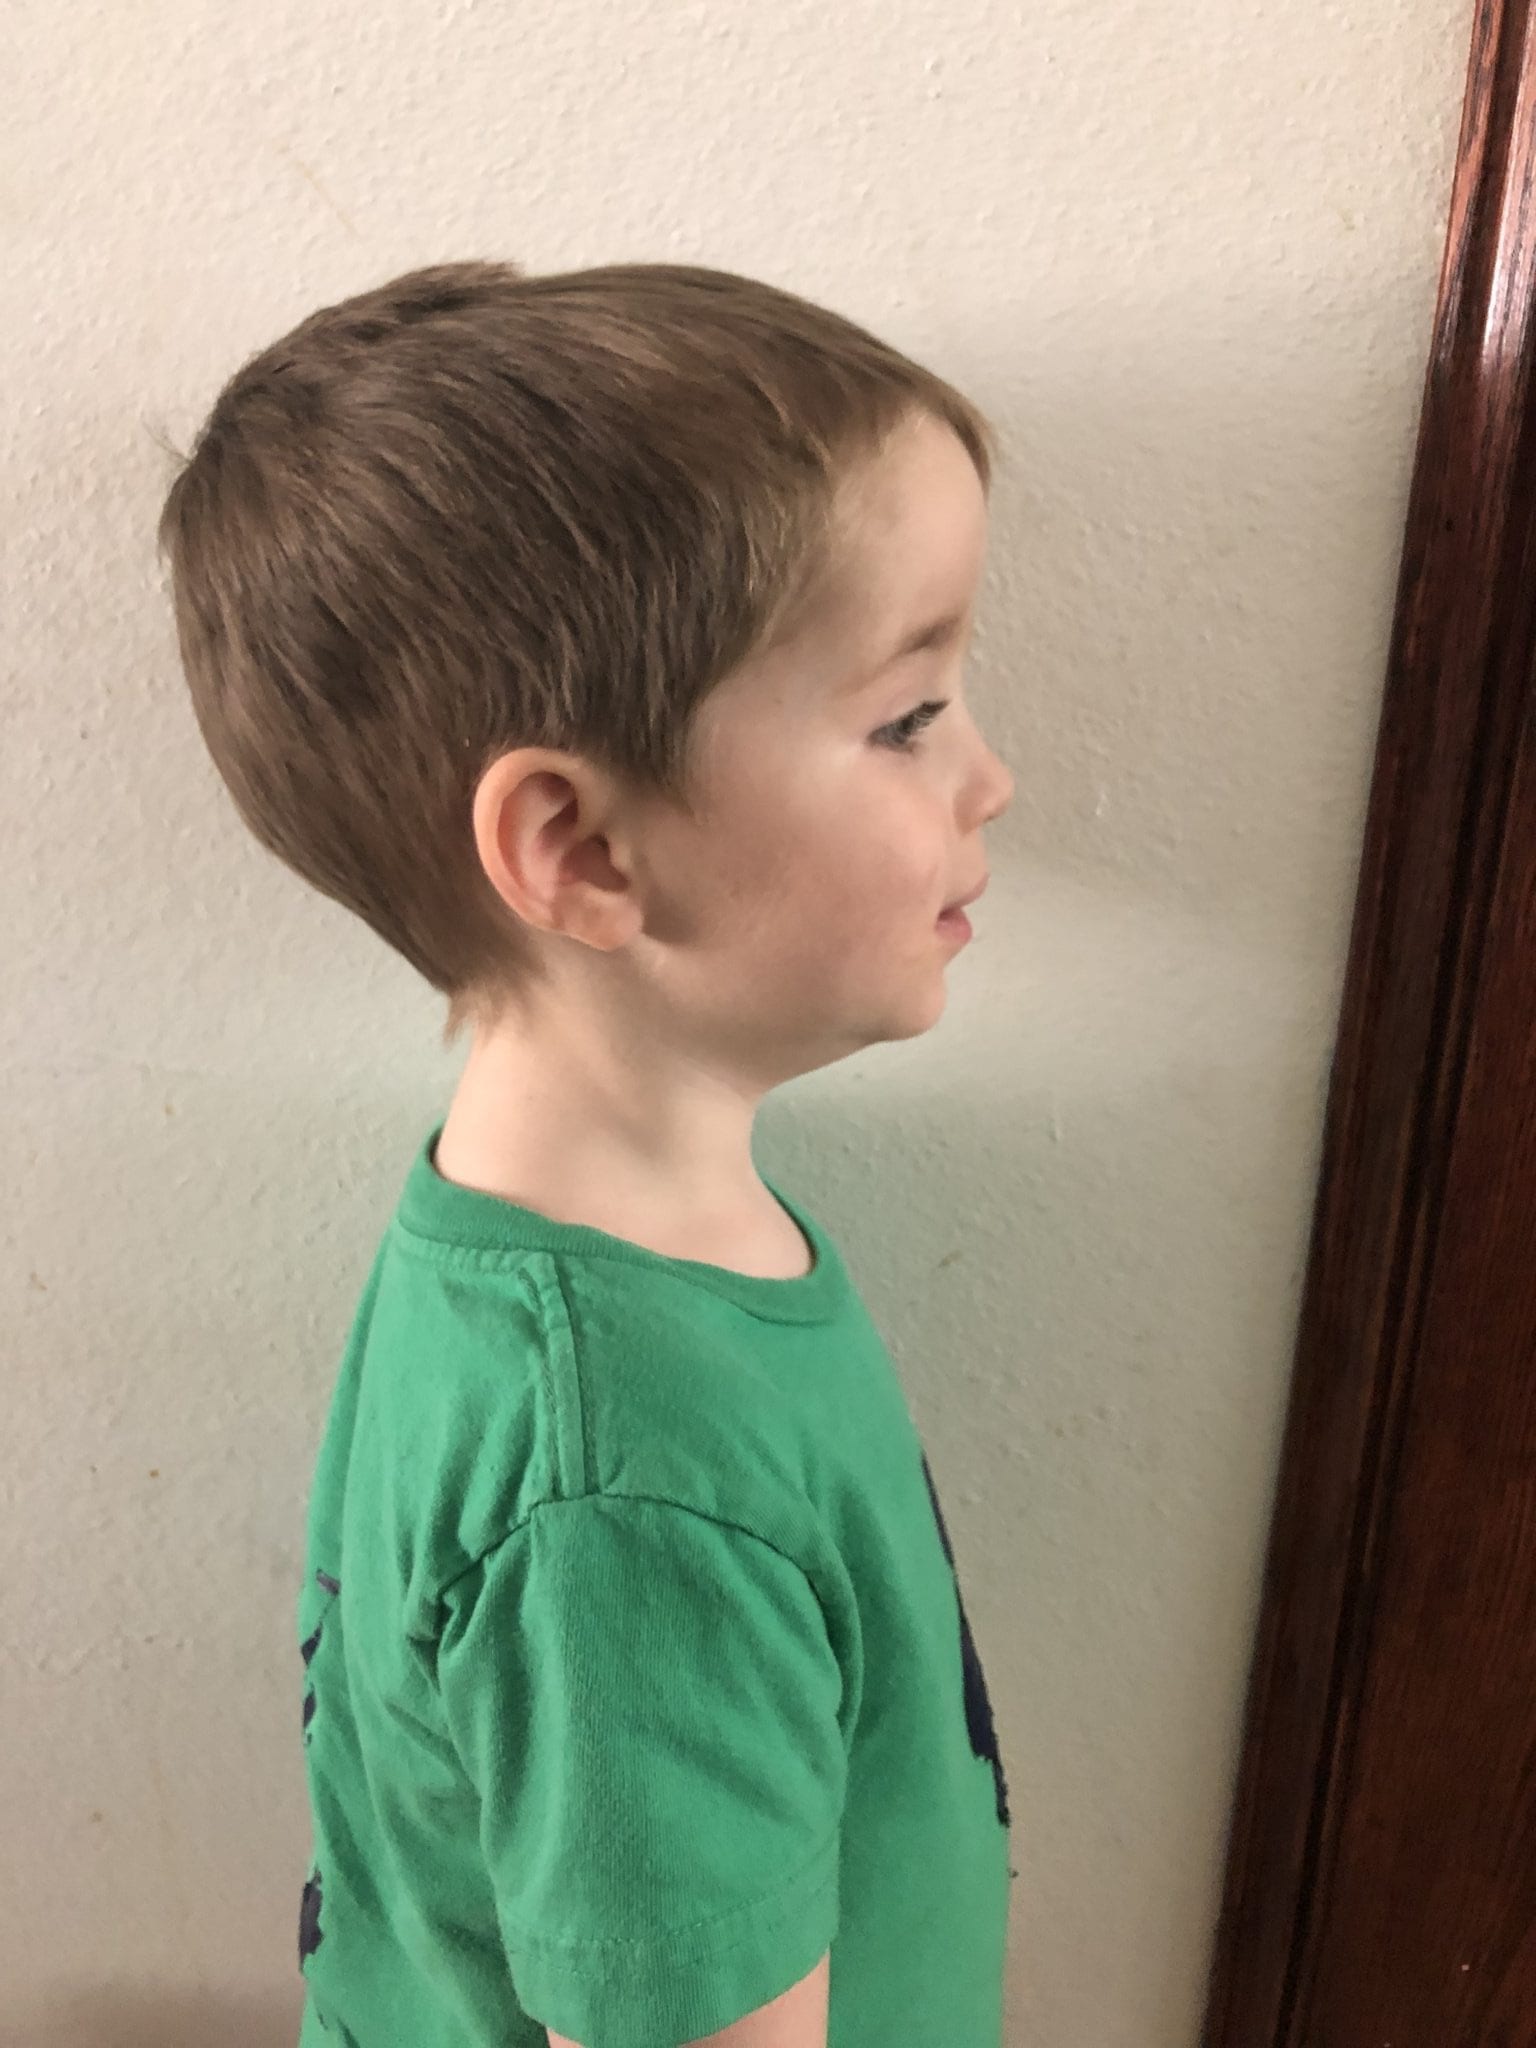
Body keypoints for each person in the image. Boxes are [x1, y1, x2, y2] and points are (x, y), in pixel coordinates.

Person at [156, 257, 1017, 2048]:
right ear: (583, 851)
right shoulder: (629, 1490)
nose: (987, 778)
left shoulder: (557, 1250)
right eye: (910, 715)